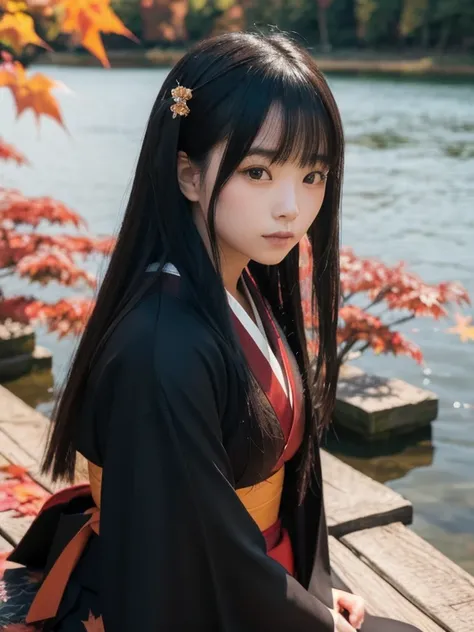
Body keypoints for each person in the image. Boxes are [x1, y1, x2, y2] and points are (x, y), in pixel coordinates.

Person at [0, 31, 423, 632]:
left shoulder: (240, 285)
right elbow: (191, 553)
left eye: (313, 175)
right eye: (258, 171)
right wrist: (318, 619)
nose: (292, 207)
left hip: (260, 582)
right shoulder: (160, 347)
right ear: (188, 175)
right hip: (187, 599)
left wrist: (320, 588)